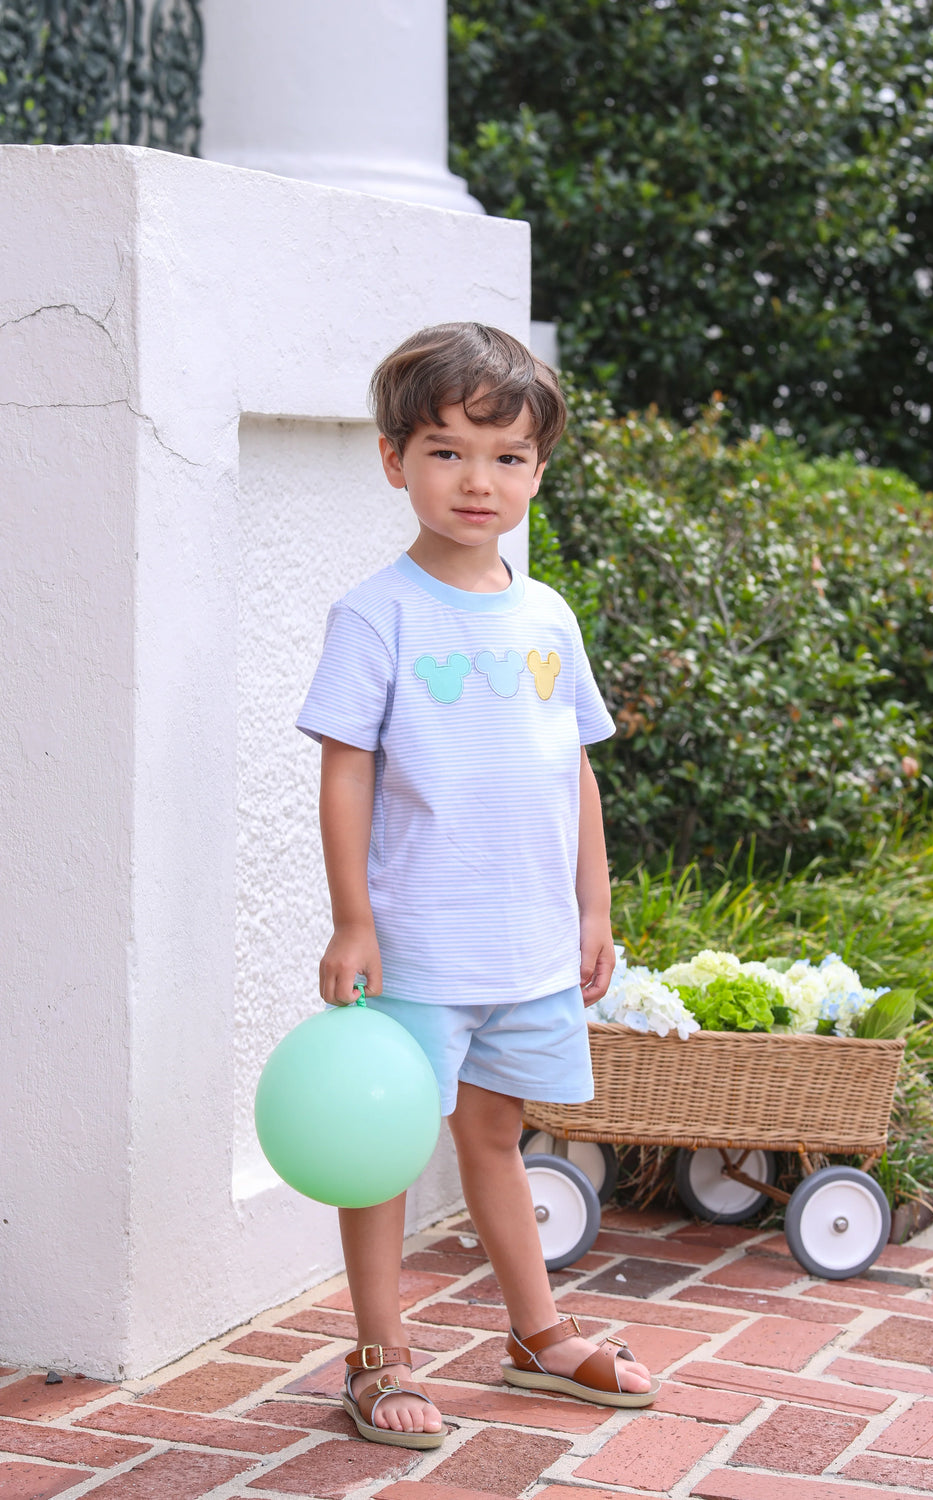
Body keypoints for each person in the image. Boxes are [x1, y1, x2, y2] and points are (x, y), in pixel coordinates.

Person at [296, 322, 656, 1449]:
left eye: (506, 457)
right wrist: (354, 920)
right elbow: (346, 771)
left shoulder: (546, 613)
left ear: (538, 471)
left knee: (497, 1136)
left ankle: (535, 1335)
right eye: (446, 451)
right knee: (387, 1146)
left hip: (529, 945)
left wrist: (593, 908)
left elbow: (573, 769)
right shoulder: (377, 615)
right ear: (395, 460)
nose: (477, 480)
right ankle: (379, 1350)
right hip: (418, 947)